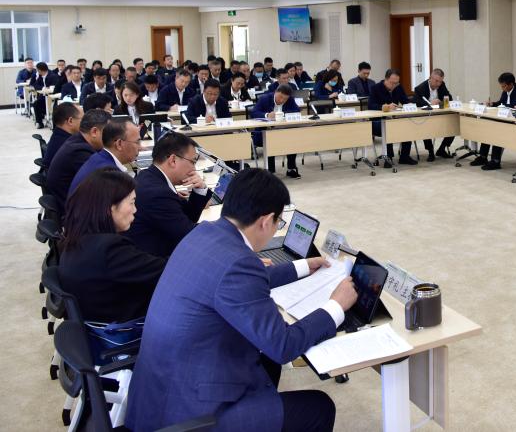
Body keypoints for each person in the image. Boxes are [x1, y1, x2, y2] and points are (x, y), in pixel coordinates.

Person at [125, 168, 354, 432]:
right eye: (279, 223)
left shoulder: (203, 233)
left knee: (264, 361)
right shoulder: (239, 264)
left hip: (160, 392)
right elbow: (283, 346)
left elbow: (231, 280)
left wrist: (302, 267)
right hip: (191, 415)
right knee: (318, 407)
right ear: (265, 221)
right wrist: (336, 306)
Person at [58, 169, 166, 327]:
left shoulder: (76, 238)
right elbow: (167, 271)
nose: (135, 210)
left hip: (96, 322)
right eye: (132, 202)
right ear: (110, 207)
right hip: (126, 329)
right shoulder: (110, 249)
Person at [125, 132, 213, 257]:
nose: (194, 169)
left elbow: (188, 218)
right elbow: (189, 234)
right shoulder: (157, 193)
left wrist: (200, 190)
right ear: (173, 160)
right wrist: (227, 227)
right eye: (192, 162)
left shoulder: (149, 175)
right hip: (156, 261)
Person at [46, 110, 110, 213]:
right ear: (94, 132)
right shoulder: (80, 152)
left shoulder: (77, 139)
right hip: (73, 212)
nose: (111, 138)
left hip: (68, 201)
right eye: (109, 133)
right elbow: (105, 183)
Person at [68, 118, 141, 195]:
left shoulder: (98, 158)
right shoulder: (109, 174)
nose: (140, 147)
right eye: (137, 142)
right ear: (119, 144)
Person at [473, 72, 516, 170]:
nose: (502, 88)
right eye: (501, 86)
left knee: (496, 129)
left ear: (511, 84)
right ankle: (483, 156)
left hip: (515, 122)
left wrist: (502, 106)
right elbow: (501, 103)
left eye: (504, 86)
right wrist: (492, 104)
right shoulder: (505, 91)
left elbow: (515, 106)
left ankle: (495, 161)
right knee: (488, 125)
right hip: (504, 119)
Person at [251, 85, 302, 178]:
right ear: (275, 92)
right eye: (280, 97)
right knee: (270, 139)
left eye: (285, 99)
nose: (282, 100)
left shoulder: (290, 99)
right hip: (265, 132)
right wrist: (267, 115)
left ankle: (291, 169)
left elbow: (297, 111)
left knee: (292, 138)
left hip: (284, 131)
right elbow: (254, 113)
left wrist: (283, 114)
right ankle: (270, 170)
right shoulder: (264, 99)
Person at [369, 68, 416, 165]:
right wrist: (384, 107)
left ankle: (404, 156)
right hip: (378, 121)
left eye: (396, 83)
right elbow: (371, 106)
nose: (394, 85)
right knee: (388, 126)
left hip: (394, 119)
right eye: (392, 83)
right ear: (385, 79)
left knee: (408, 125)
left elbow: (405, 101)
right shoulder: (375, 88)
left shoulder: (398, 87)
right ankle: (388, 157)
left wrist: (410, 105)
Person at [413, 68, 456, 161]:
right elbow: (416, 102)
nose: (438, 84)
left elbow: (449, 98)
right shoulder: (420, 88)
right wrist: (429, 103)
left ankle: (442, 149)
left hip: (440, 114)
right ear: (430, 78)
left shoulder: (442, 85)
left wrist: (441, 101)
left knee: (453, 124)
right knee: (425, 126)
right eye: (436, 81)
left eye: (440, 81)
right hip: (426, 116)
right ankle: (430, 151)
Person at [41, 102, 82, 169]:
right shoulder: (71, 147)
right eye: (83, 119)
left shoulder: (57, 135)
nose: (85, 122)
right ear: (70, 121)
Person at [31, 62, 59, 128]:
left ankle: (49, 118)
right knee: (36, 103)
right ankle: (39, 122)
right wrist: (43, 88)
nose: (37, 71)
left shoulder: (53, 76)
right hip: (43, 96)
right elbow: (35, 85)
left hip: (52, 96)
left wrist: (49, 88)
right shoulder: (40, 76)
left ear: (40, 70)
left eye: (37, 70)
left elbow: (55, 87)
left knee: (49, 105)